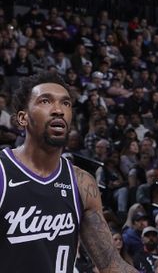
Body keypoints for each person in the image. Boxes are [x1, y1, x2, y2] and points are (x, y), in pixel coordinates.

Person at [0, 72, 138, 272]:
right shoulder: (3, 171)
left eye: (65, 104)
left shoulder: (82, 183)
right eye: (45, 101)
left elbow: (111, 265)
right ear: (23, 118)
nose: (58, 110)